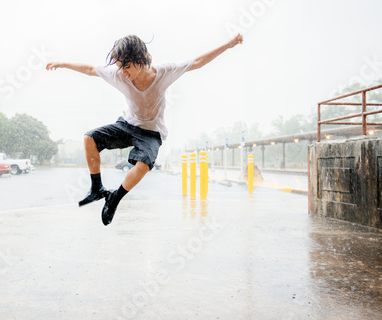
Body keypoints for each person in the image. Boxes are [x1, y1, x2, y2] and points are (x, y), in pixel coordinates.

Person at [46, 33, 243, 225]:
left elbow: (197, 62)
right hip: (128, 125)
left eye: (127, 66)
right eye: (120, 67)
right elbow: (90, 69)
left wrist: (229, 44)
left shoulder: (164, 73)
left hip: (151, 132)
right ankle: (96, 188)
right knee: (89, 138)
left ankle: (114, 198)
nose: (124, 72)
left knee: (143, 165)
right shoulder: (119, 75)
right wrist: (62, 64)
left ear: (139, 59)